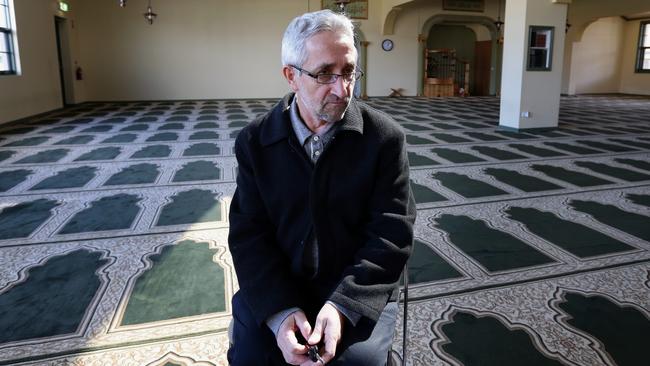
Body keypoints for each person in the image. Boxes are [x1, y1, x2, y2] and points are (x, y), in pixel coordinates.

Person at [227, 9, 416, 366]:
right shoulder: (255, 141)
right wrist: (280, 313)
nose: (342, 89)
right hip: (279, 285)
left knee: (361, 362)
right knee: (252, 357)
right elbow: (249, 235)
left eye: (348, 72)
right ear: (291, 76)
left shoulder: (384, 139)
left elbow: (392, 233)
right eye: (324, 73)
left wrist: (346, 305)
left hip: (357, 287)